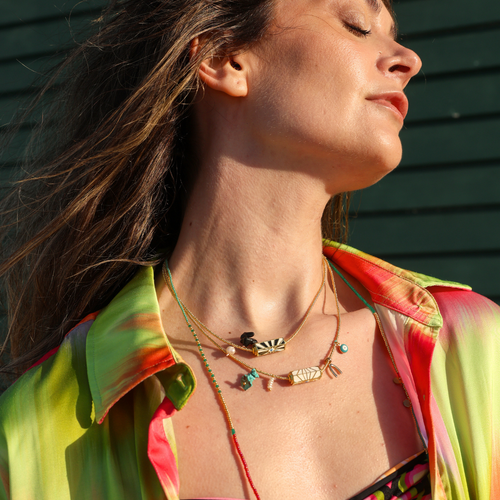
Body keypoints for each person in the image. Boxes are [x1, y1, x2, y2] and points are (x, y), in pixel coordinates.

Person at [0, 0, 499, 499]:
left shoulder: (472, 348)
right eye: (357, 25)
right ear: (225, 58)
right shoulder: (42, 427)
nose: (408, 59)